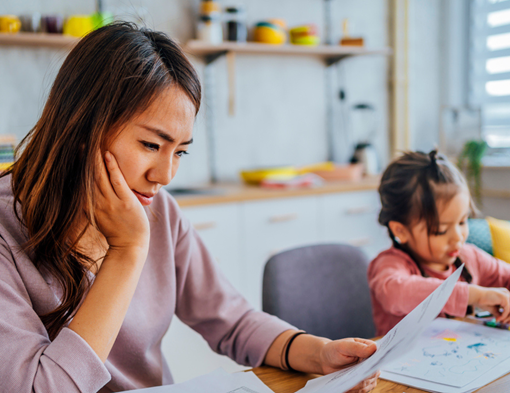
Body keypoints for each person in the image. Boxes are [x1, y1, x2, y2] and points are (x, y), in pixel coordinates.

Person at [0, 23, 379, 392]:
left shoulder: (159, 211)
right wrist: (127, 252)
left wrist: (320, 354)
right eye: (151, 145)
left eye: (179, 151)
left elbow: (232, 321)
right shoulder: (6, 231)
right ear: (83, 127)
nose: (164, 175)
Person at [368, 150, 510, 336]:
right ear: (400, 231)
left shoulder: (468, 256)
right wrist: (475, 295)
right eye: (440, 231)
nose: (458, 237)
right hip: (401, 364)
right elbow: (398, 294)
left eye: (462, 222)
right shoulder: (389, 265)